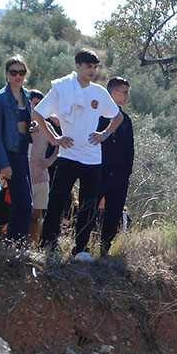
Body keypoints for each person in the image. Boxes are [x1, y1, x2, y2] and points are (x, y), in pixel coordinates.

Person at [35, 49, 123, 260]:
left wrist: (105, 133)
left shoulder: (99, 92)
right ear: (78, 66)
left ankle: (81, 249)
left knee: (88, 204)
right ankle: (47, 246)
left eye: (94, 67)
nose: (91, 70)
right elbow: (38, 114)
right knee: (56, 201)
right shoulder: (62, 87)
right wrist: (54, 138)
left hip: (92, 158)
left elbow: (117, 117)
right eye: (88, 66)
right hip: (68, 155)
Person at [0, 57, 34, 243]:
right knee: (24, 202)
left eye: (21, 72)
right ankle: (16, 243)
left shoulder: (26, 95)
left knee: (22, 202)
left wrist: (31, 127)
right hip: (10, 153)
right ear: (7, 74)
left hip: (23, 151)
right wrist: (4, 164)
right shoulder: (1, 97)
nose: (18, 76)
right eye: (13, 72)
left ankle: (14, 243)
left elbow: (22, 122)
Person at [97, 77, 134, 257]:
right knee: (89, 208)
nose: (127, 95)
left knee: (114, 212)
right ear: (113, 92)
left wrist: (127, 172)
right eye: (124, 91)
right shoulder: (97, 116)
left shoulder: (126, 120)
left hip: (120, 175)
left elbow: (130, 148)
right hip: (99, 171)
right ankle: (81, 245)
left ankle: (105, 248)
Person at [27, 90, 61, 245]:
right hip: (23, 175)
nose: (37, 107)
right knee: (19, 214)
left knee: (36, 216)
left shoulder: (46, 125)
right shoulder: (20, 123)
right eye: (35, 104)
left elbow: (58, 143)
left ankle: (33, 246)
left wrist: (50, 160)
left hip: (41, 175)